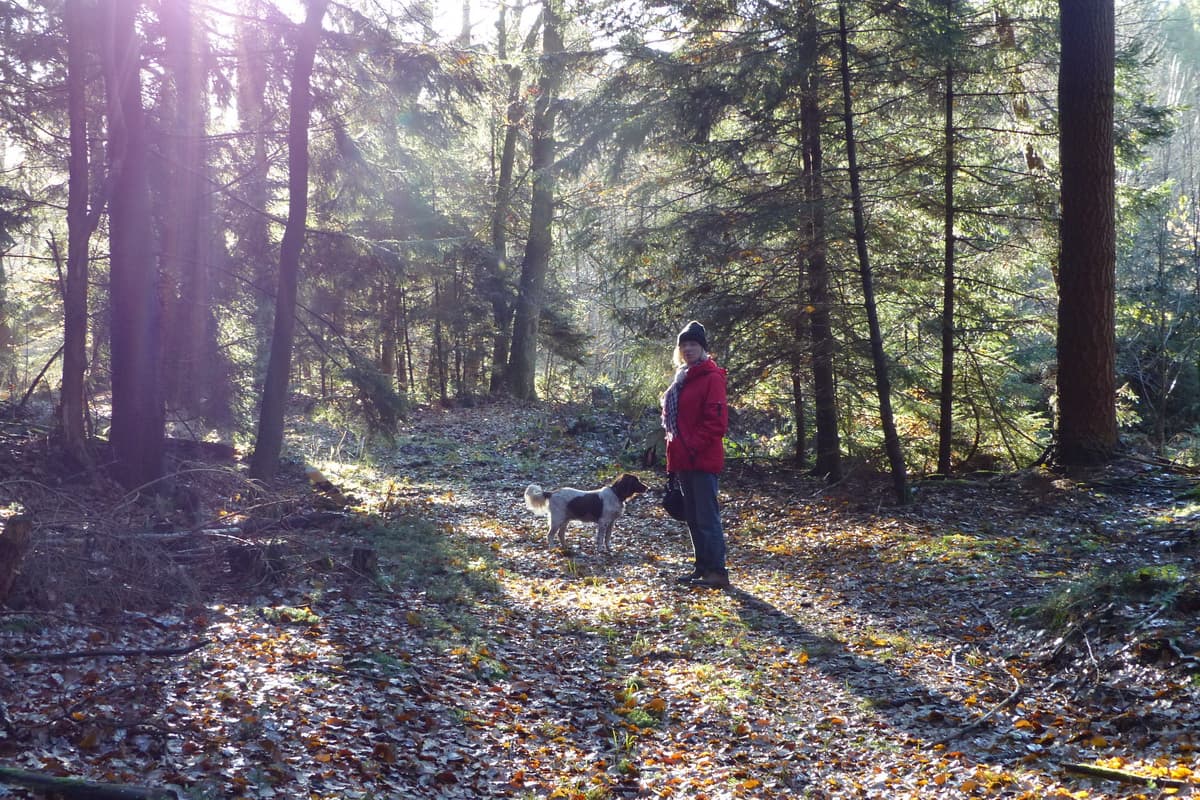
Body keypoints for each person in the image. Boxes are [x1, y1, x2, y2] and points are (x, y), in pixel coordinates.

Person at [661, 320, 730, 589]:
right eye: (684, 344)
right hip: (684, 460)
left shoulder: (711, 378)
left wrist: (691, 448)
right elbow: (675, 425)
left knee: (707, 517)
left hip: (702, 460)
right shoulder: (682, 378)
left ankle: (717, 571)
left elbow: (716, 423)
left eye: (693, 344)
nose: (688, 348)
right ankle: (702, 568)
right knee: (693, 517)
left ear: (703, 348)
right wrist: (675, 459)